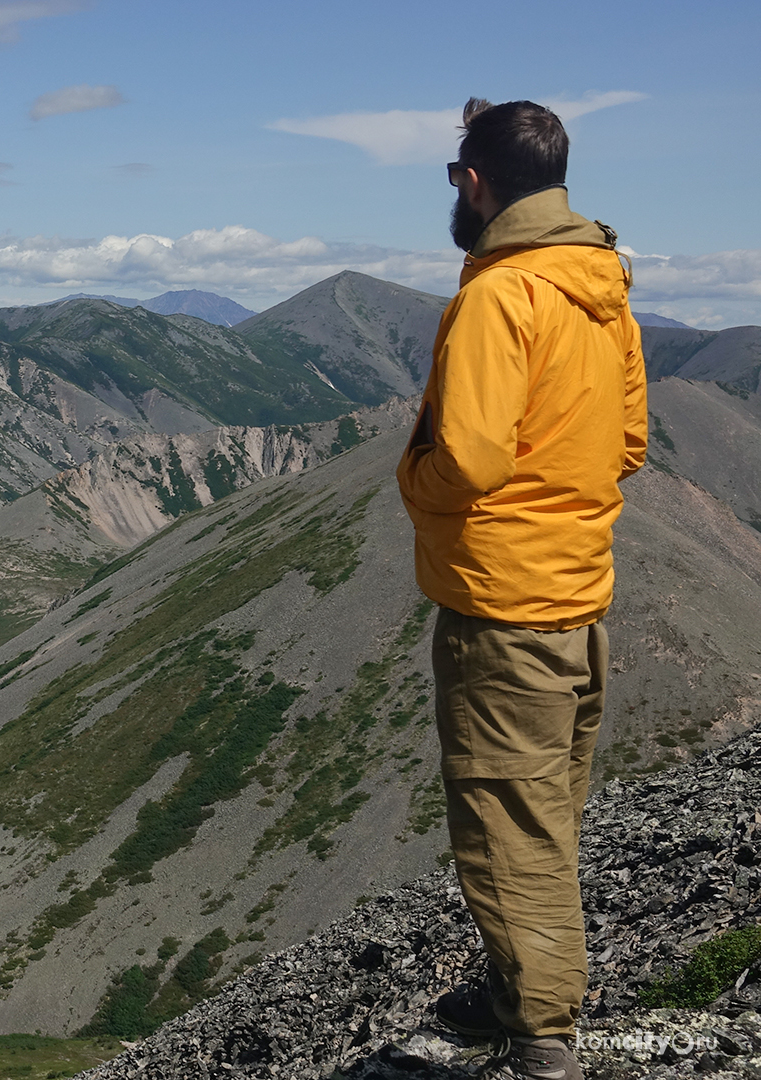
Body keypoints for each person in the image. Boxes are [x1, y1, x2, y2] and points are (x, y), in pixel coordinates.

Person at [396, 97, 648, 1080]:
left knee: (507, 826)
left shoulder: (501, 296)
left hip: (504, 612)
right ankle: (515, 991)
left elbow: (467, 455)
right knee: (545, 812)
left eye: (452, 181)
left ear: (473, 181)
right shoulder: (602, 285)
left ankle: (542, 1041)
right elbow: (628, 441)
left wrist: (412, 477)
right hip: (578, 598)